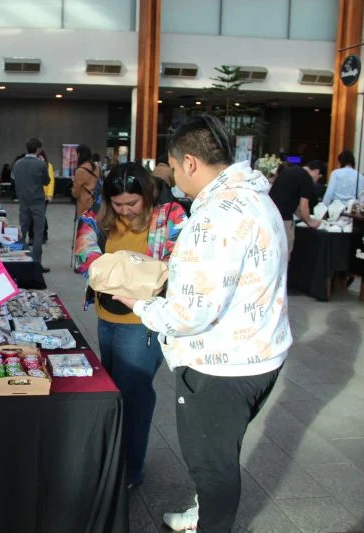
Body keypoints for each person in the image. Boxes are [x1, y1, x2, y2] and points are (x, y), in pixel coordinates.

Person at [113, 116, 291, 533]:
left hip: (221, 363)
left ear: (190, 162)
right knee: (221, 450)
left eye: (174, 168)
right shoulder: (256, 198)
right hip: (259, 350)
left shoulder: (215, 217)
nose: (173, 177)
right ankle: (199, 516)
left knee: (211, 463)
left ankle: (210, 525)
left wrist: (142, 306)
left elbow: (189, 315)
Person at [74, 162, 187, 489]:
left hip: (143, 323)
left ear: (148, 195)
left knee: (133, 396)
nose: (124, 211)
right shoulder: (100, 215)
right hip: (107, 319)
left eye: (132, 204)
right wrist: (133, 272)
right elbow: (85, 257)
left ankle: (129, 469)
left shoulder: (171, 216)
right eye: (118, 204)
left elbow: (182, 263)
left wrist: (120, 273)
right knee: (113, 393)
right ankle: (113, 460)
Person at [13, 137, 51, 272]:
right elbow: (47, 181)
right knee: (38, 233)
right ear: (38, 150)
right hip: (37, 202)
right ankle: (36, 264)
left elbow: (15, 180)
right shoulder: (40, 164)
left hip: (23, 202)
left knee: (22, 232)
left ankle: (22, 261)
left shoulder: (17, 163)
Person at [269, 162, 321, 255]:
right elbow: (303, 207)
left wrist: (305, 218)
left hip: (270, 215)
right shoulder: (307, 178)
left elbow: (291, 203)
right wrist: (310, 222)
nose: (317, 181)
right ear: (316, 172)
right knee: (285, 255)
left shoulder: (289, 172)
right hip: (285, 220)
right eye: (319, 177)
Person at [29, 150, 55, 243]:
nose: (39, 159)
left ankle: (44, 235)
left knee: (41, 216)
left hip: (44, 196)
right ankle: (32, 236)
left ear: (44, 157)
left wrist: (49, 195)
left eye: (41, 157)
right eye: (37, 157)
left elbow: (51, 181)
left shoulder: (48, 166)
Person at [71, 144, 100, 217]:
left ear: (79, 154)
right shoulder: (96, 168)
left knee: (84, 227)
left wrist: (72, 189)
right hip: (96, 202)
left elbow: (75, 193)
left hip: (84, 204)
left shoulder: (80, 170)